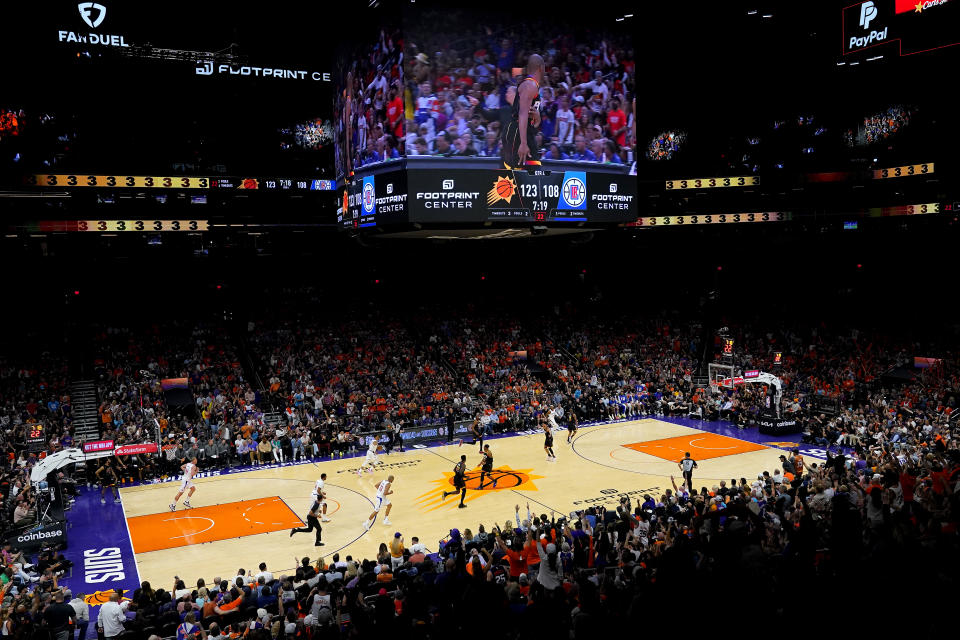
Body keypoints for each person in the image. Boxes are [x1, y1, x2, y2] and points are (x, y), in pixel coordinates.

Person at [503, 54, 545, 168]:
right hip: (518, 132)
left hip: (525, 133)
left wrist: (538, 118)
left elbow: (532, 119)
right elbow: (522, 114)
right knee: (514, 173)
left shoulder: (533, 86)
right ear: (541, 68)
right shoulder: (529, 85)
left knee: (533, 171)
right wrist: (523, 143)